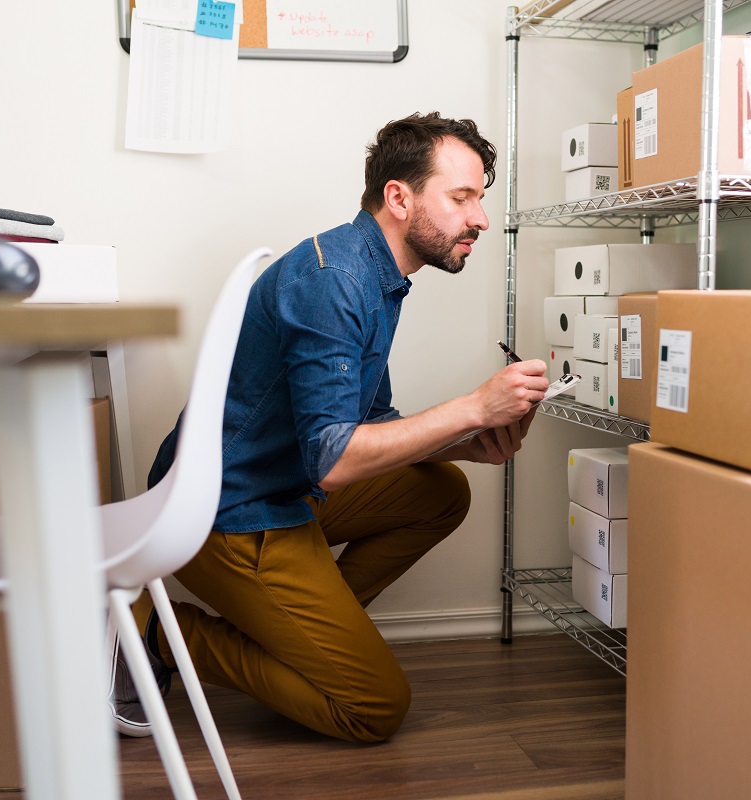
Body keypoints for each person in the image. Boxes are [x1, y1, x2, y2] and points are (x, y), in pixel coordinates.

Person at [111, 111, 549, 744]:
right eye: (462, 198)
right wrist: (473, 408)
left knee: (443, 490)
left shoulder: (377, 276)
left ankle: (308, 635)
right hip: (232, 510)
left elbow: (370, 425)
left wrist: (470, 445)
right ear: (398, 198)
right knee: (373, 709)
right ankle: (149, 623)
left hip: (286, 490)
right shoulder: (335, 280)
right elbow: (336, 461)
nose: (480, 218)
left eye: (479, 199)